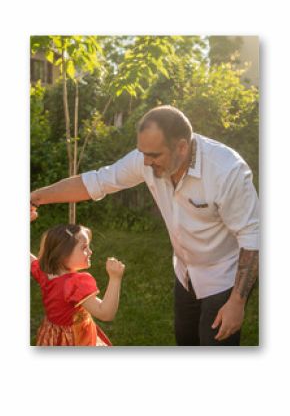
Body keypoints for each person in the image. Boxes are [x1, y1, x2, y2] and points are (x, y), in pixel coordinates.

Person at [31, 105, 259, 346]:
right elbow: (97, 181)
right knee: (186, 341)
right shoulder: (147, 158)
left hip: (223, 277)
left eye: (154, 155)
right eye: (143, 153)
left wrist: (237, 302)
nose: (146, 163)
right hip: (185, 273)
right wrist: (34, 197)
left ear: (182, 147)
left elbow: (253, 237)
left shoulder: (227, 171)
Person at [30, 206, 125, 346]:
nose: (90, 251)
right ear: (63, 254)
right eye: (84, 247)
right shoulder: (75, 284)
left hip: (52, 335)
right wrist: (115, 278)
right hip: (76, 340)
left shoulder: (44, 271)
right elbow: (106, 313)